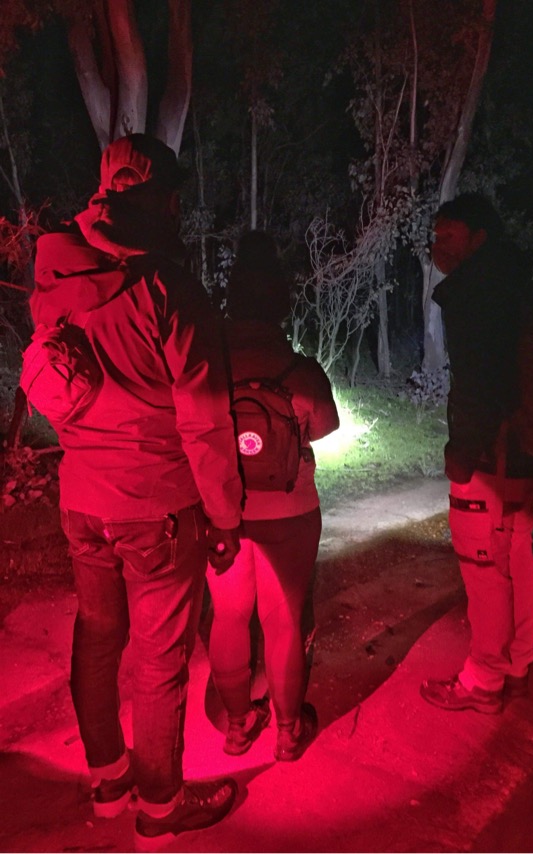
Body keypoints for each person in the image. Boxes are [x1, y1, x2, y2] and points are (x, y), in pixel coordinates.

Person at [30, 134, 244, 851]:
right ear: (159, 199)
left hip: (81, 499)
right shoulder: (168, 290)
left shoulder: (58, 275)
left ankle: (109, 782)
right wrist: (225, 517)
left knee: (97, 639)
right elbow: (207, 420)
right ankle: (159, 809)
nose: (180, 206)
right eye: (175, 194)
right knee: (160, 660)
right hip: (156, 507)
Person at [207, 230, 339, 761]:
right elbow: (325, 428)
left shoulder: (207, 364)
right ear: (281, 302)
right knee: (283, 620)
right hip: (290, 511)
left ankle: (238, 725)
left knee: (229, 616)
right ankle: (287, 731)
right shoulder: (300, 370)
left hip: (225, 513)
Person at [420, 193, 533, 714]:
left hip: (489, 456)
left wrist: (463, 450)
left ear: (479, 238)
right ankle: (518, 663)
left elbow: (478, 381)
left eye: (448, 237)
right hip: (524, 451)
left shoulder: (477, 293)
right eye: (435, 236)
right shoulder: (519, 285)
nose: (437, 247)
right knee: (516, 555)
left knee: (484, 566)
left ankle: (483, 681)